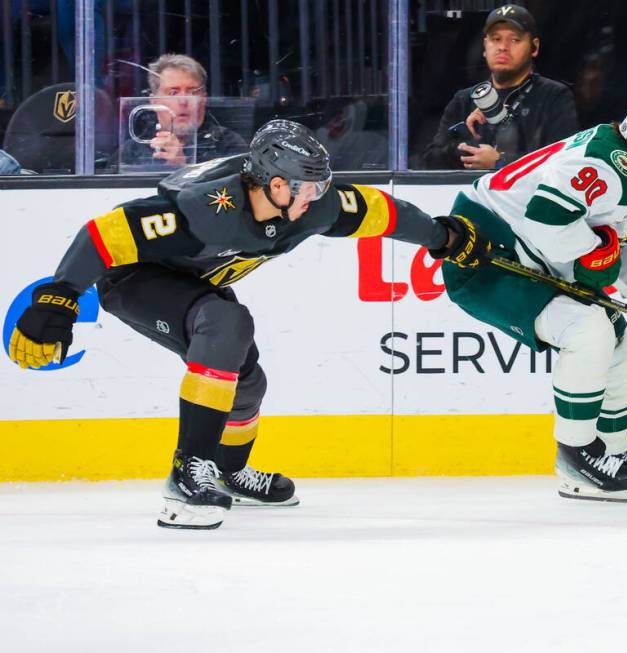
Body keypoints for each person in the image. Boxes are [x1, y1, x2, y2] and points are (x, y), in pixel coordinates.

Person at [8, 120, 489, 529]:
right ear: (276, 185)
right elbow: (104, 234)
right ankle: (185, 472)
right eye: (309, 188)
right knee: (227, 321)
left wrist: (440, 236)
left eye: (322, 186)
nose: (319, 198)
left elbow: (380, 212)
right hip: (133, 279)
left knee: (247, 380)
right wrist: (59, 298)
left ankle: (225, 471)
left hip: (192, 283)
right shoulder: (203, 211)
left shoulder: (312, 206)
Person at [440, 90, 627, 502]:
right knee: (589, 331)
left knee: (624, 346)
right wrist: (594, 255)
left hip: (534, 255)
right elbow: (547, 222)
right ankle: (576, 457)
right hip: (484, 254)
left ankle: (615, 453)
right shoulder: (602, 163)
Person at [421, 4, 579, 170]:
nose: (503, 47)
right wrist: (464, 148)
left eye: (514, 40)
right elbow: (430, 161)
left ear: (534, 47)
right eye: (496, 39)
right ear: (485, 46)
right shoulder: (464, 99)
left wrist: (500, 162)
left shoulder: (554, 96)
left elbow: (564, 161)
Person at [119, 53, 248, 170]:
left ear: (203, 99)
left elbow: (232, 192)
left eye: (193, 92)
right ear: (154, 101)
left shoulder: (228, 144)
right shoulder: (131, 151)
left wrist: (181, 167)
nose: (183, 101)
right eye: (173, 93)